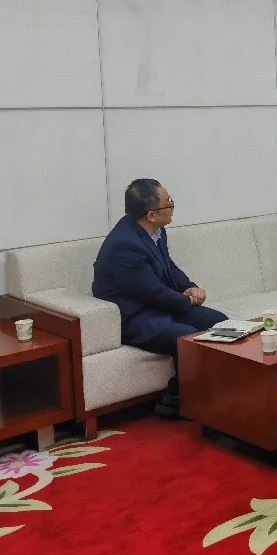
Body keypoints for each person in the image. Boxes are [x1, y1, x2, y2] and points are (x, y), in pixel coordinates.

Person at [92, 179, 226, 419]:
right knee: (189, 338)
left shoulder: (155, 230)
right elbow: (151, 292)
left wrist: (189, 287)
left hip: (159, 307)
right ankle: (175, 399)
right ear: (152, 214)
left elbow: (168, 267)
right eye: (169, 203)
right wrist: (187, 302)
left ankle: (219, 389)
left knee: (221, 324)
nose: (173, 207)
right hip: (136, 317)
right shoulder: (124, 245)